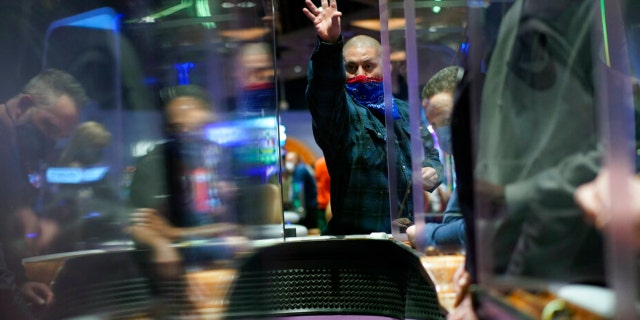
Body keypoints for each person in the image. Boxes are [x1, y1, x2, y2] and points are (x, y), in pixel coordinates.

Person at [472, 0, 604, 283]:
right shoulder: (509, 15)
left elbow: (616, 144)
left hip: (575, 258)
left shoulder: (567, 9)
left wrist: (514, 195)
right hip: (514, 257)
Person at [302, 0, 444, 235]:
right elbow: (323, 93)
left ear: (385, 67)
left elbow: (430, 154)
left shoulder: (406, 111)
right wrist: (328, 45)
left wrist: (432, 170)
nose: (360, 74)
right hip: (355, 245)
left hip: (404, 238)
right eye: (351, 67)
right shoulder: (343, 113)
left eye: (369, 66)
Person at [0, 68, 88, 319]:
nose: (50, 142)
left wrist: (19, 282)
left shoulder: (13, 151)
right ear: (24, 106)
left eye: (59, 137)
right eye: (48, 127)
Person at [406, 66, 466, 249]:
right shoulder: (469, 163)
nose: (442, 132)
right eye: (434, 125)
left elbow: (477, 230)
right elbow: (454, 221)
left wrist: (428, 234)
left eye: (447, 121)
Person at [283, 151, 319, 232]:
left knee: (310, 232)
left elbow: (298, 191)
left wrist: (297, 209)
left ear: (297, 160)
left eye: (291, 160)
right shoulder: (301, 168)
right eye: (287, 160)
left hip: (307, 209)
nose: (288, 162)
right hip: (309, 206)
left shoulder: (300, 170)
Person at [314, 156, 330, 230]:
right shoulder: (336, 162)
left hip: (321, 201)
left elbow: (317, 181)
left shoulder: (318, 163)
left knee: (322, 231)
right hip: (332, 203)